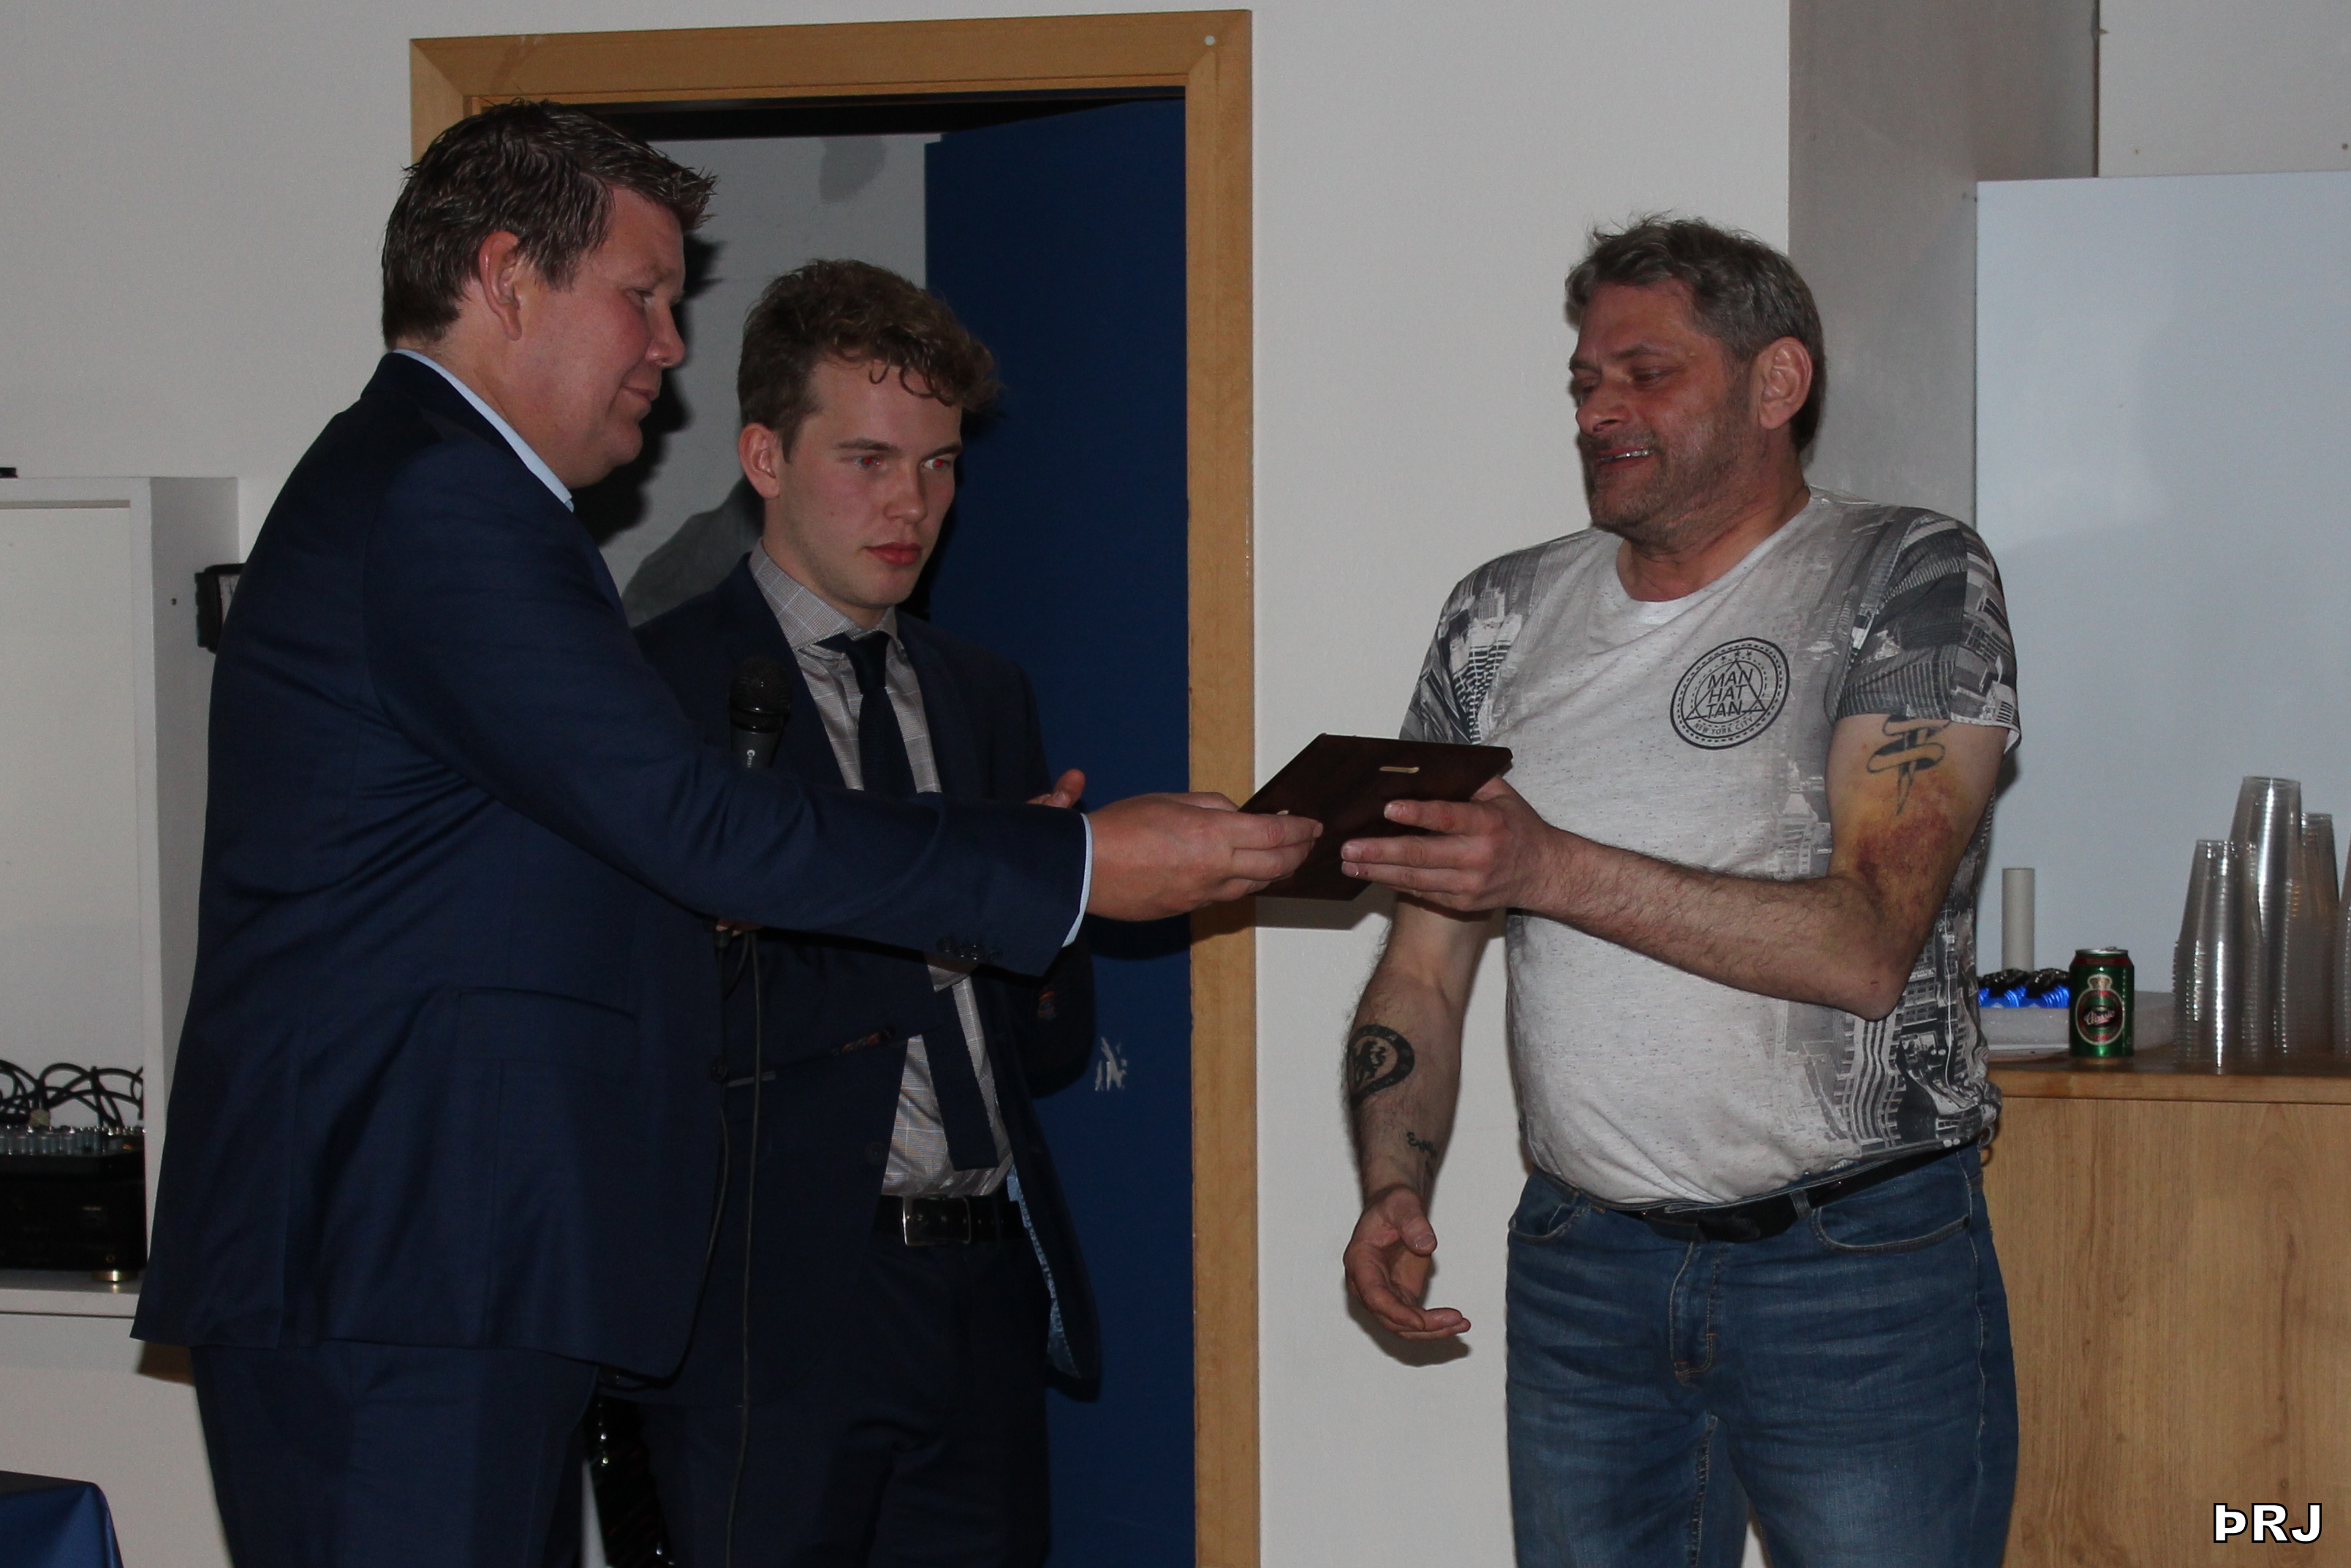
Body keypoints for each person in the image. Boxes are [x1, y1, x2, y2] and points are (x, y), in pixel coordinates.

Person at [130, 102, 1314, 1568]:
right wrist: (1076, 865)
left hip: (438, 1263)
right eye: (641, 294)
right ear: (506, 277)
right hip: (402, 1264)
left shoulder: (440, 487)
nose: (669, 345)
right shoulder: (443, 496)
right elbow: (695, 823)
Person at [1337, 217, 2020, 1567]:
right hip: (1584, 1266)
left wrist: (1548, 865)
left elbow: (1869, 945)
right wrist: (1389, 1180)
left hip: (1856, 1265)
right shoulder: (1497, 616)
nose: (1601, 411)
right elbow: (1422, 965)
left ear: (1778, 382)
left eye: (1646, 374)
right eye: (1586, 381)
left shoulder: (1909, 575)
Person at [627, 258, 1095, 1567]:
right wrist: (969, 907)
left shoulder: (985, 691)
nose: (913, 505)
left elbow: (1050, 1044)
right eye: (871, 460)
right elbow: (665, 1017)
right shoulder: (657, 689)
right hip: (773, 1304)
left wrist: (1047, 907)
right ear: (765, 456)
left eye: (941, 465)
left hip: (981, 1280)